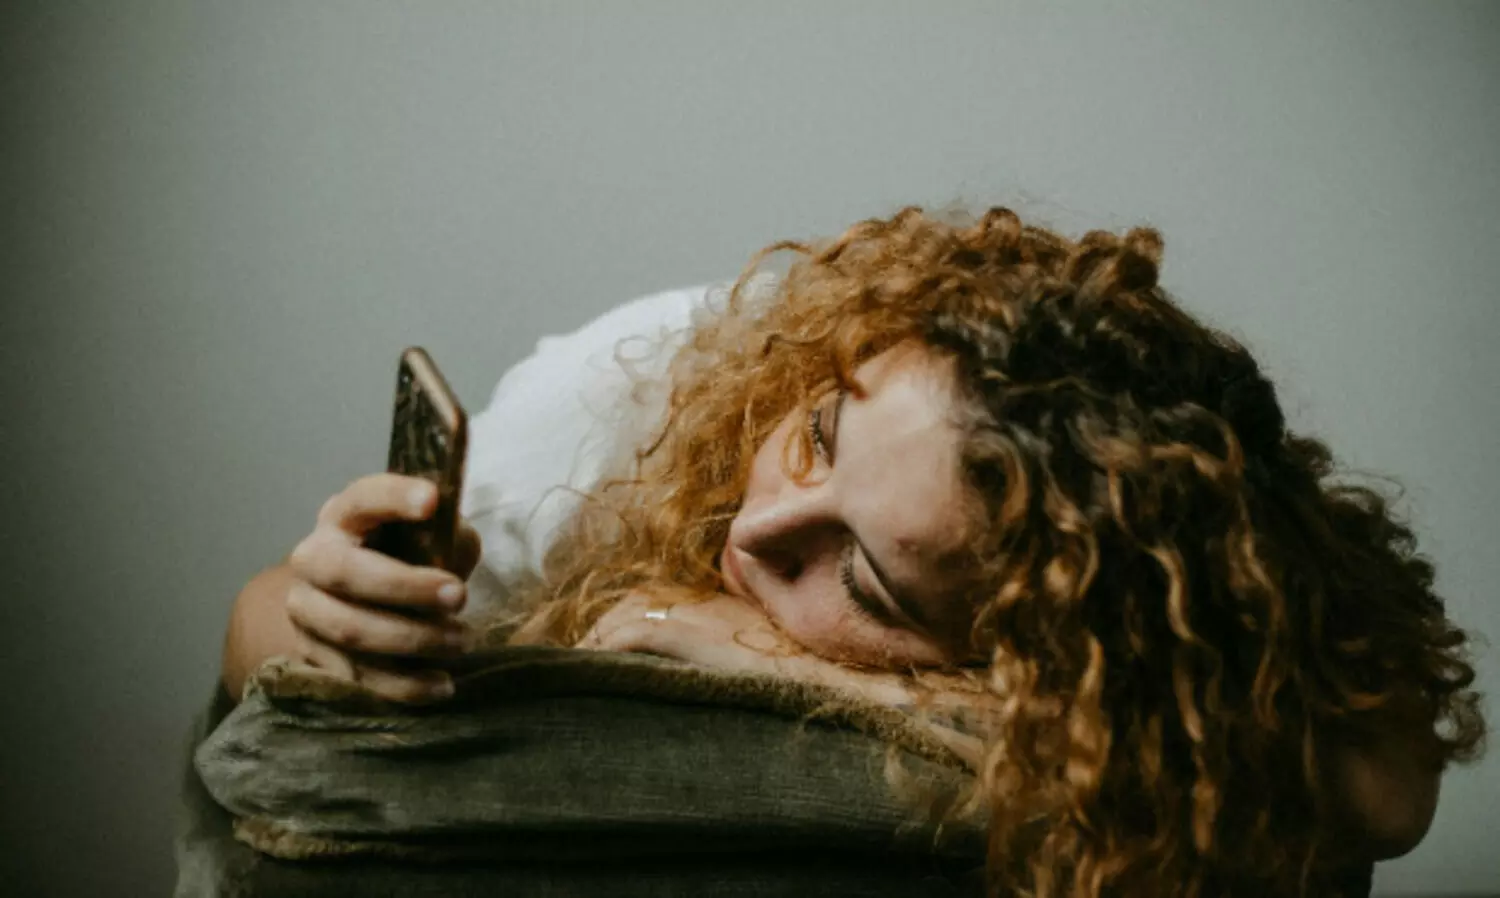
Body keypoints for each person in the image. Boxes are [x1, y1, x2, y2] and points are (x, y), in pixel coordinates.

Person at [220, 207, 1485, 898]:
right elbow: (250, 646)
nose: (756, 534)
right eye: (815, 439)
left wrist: (802, 672)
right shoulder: (630, 394)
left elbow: (1385, 791)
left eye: (864, 580)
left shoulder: (1075, 639)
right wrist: (337, 602)